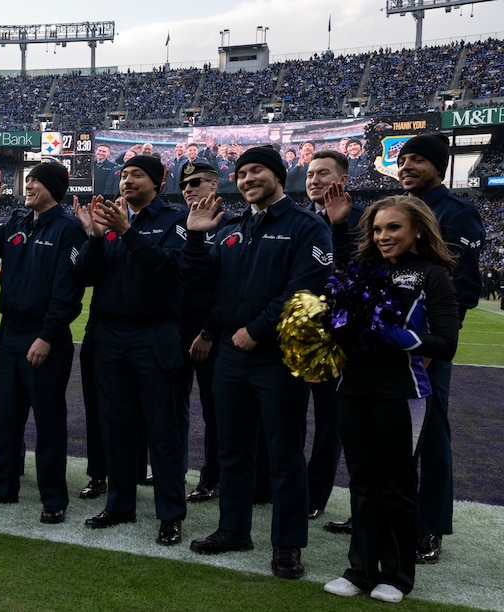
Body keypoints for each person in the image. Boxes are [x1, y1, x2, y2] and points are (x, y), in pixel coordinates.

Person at [182, 145, 333, 580]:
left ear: (278, 176)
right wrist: (194, 237)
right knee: (232, 450)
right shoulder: (229, 228)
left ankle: (288, 546)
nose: (248, 179)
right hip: (231, 353)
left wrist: (258, 329)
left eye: (257, 171)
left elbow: (306, 290)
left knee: (284, 455)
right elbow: (204, 285)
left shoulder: (306, 226)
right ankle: (233, 529)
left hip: (279, 354)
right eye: (242, 173)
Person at [321, 193, 459, 604]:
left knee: (397, 485)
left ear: (417, 228)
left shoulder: (433, 275)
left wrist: (394, 335)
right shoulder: (365, 268)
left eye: (393, 227)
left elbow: (447, 344)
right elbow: (340, 277)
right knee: (362, 482)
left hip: (404, 392)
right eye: (378, 229)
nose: (383, 236)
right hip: (353, 389)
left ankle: (396, 577)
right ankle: (360, 571)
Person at [0, 160, 85, 524]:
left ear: (54, 187)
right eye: (28, 180)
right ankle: (3, 486)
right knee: (8, 417)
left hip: (44, 336)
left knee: (49, 421)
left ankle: (54, 497)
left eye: (37, 181)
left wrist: (47, 336)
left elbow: (68, 293)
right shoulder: (16, 222)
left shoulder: (69, 229)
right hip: (9, 334)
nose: (29, 186)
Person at [72, 154, 188, 545]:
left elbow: (167, 269)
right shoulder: (108, 221)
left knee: (162, 428)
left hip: (153, 334)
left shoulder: (176, 221)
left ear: (157, 182)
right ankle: (120, 504)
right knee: (115, 426)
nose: (127, 181)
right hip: (109, 335)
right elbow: (84, 277)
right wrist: (92, 236)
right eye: (123, 175)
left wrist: (126, 233)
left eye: (137, 175)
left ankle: (170, 513)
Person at [396, 133, 485, 564]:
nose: (407, 165)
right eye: (403, 159)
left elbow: (462, 289)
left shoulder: (456, 211)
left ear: (438, 165)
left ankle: (430, 529)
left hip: (425, 349)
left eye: (417, 160)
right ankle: (386, 515)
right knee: (388, 434)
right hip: (390, 343)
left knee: (431, 438)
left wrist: (432, 344)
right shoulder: (399, 209)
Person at [303, 151, 353, 521]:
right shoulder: (297, 220)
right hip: (295, 337)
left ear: (344, 180)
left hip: (337, 341)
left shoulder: (364, 222)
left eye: (324, 173)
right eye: (309, 174)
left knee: (330, 422)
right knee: (282, 416)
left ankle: (315, 493)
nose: (314, 180)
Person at [176, 161, 223, 504]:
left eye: (196, 182)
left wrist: (208, 331)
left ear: (214, 185)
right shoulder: (176, 225)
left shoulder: (229, 226)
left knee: (215, 410)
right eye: (184, 184)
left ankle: (213, 477)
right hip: (174, 328)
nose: (188, 188)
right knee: (171, 405)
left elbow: (227, 287)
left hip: (211, 329)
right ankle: (172, 468)